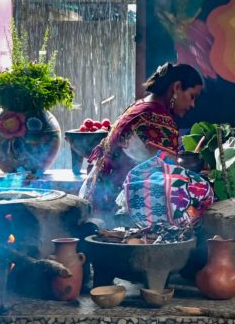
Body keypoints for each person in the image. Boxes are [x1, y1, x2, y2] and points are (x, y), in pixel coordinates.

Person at [80, 63, 203, 221]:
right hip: (115, 213)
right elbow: (170, 177)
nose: (192, 105)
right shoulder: (159, 120)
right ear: (177, 87)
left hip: (95, 202)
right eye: (192, 96)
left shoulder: (139, 108)